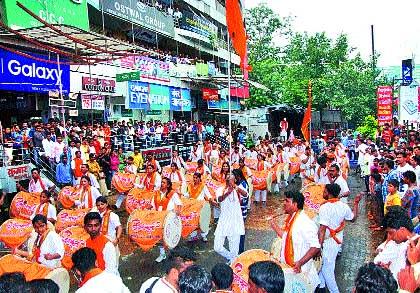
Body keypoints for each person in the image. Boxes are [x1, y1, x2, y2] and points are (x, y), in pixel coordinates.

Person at [270, 191, 321, 289]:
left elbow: (315, 246)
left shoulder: (304, 222)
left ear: (295, 204)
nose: (284, 203)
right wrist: (273, 225)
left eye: (287, 201)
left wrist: (300, 263)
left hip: (302, 272)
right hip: (291, 270)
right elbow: (285, 237)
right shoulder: (292, 219)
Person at [317, 183, 362, 293]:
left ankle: (334, 291)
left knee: (327, 268)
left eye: (324, 191)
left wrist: (318, 247)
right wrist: (356, 203)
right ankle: (321, 287)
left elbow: (322, 229)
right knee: (322, 265)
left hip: (327, 242)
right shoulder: (343, 206)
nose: (323, 193)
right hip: (337, 241)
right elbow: (353, 219)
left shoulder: (325, 207)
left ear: (328, 193)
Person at [214, 175, 245, 264]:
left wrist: (236, 188)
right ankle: (231, 257)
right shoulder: (220, 189)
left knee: (234, 250)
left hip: (235, 222)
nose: (229, 180)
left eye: (231, 178)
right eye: (228, 178)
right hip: (223, 221)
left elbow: (245, 194)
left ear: (234, 180)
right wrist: (228, 192)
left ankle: (233, 261)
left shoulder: (238, 188)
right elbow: (219, 199)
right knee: (217, 247)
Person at [151, 177, 183, 262]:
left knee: (169, 235)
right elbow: (152, 205)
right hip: (158, 218)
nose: (162, 184)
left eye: (164, 183)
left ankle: (172, 250)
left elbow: (179, 204)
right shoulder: (157, 193)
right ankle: (162, 254)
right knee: (160, 237)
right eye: (161, 182)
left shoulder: (173, 194)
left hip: (169, 219)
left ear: (168, 185)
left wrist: (177, 212)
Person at [184, 172, 214, 242]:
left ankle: (203, 235)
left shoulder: (203, 186)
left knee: (202, 222)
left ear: (199, 178)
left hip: (201, 207)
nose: (194, 179)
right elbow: (187, 195)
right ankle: (194, 235)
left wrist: (212, 201)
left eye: (196, 178)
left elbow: (208, 195)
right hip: (192, 207)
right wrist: (182, 195)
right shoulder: (190, 185)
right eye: (193, 177)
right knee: (194, 222)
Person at [232, 169, 249, 254]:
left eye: (233, 176)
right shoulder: (238, 183)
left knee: (240, 231)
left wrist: (237, 188)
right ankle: (237, 249)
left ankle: (240, 250)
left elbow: (245, 196)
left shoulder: (243, 184)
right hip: (236, 211)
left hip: (241, 211)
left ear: (237, 176)